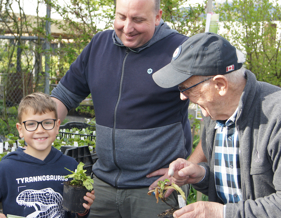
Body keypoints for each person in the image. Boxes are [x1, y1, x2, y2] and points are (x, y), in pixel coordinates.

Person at [51, 0, 197, 217]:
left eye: (138, 20)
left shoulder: (180, 50)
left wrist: (189, 166)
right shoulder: (99, 45)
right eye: (121, 17)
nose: (128, 28)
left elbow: (218, 114)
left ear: (157, 17)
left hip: (155, 190)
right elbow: (63, 97)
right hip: (102, 186)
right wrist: (39, 125)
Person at [152, 32, 281, 218]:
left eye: (187, 88)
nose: (182, 96)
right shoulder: (214, 115)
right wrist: (201, 175)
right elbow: (236, 185)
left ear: (220, 85)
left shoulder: (275, 117)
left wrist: (222, 213)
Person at [0, 92, 95, 218]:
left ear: (57, 126)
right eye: (31, 124)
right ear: (20, 130)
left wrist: (82, 210)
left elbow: (75, 212)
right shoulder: (7, 168)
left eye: (47, 123)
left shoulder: (70, 166)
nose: (40, 130)